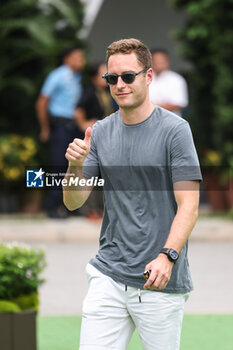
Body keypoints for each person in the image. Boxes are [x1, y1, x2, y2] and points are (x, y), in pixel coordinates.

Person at [63, 38, 202, 350]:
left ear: (148, 76)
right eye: (112, 78)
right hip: (107, 275)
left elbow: (189, 206)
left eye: (128, 76)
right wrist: (75, 166)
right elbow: (74, 201)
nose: (119, 85)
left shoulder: (175, 131)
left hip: (158, 279)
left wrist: (167, 257)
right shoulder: (98, 132)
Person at [36, 45, 85, 218]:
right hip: (60, 126)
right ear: (67, 59)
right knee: (59, 165)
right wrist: (45, 128)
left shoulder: (77, 77)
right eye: (78, 57)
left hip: (74, 127)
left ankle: (72, 206)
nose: (82, 60)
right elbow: (42, 102)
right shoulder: (57, 75)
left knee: (75, 165)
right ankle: (52, 206)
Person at [75, 62, 117, 219]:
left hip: (108, 136)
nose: (107, 76)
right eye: (103, 73)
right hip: (93, 136)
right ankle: (91, 209)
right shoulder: (89, 92)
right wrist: (84, 124)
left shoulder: (108, 90)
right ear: (94, 77)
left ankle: (102, 209)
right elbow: (78, 111)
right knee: (92, 172)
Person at [149, 48, 188, 116]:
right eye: (156, 60)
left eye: (161, 60)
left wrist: (150, 108)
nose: (159, 63)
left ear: (167, 61)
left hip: (171, 122)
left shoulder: (177, 79)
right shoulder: (144, 79)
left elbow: (179, 103)